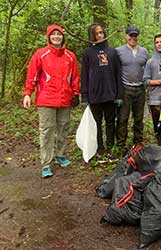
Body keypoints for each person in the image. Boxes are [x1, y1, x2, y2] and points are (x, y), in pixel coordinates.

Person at [23, 24, 80, 178]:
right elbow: (32, 76)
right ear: (49, 37)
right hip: (46, 99)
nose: (56, 37)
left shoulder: (70, 56)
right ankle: (46, 163)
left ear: (63, 37)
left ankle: (60, 155)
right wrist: (28, 93)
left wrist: (76, 93)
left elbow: (75, 77)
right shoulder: (41, 54)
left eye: (59, 34)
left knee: (63, 128)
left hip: (65, 99)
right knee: (47, 131)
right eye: (53, 34)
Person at [81, 23, 122, 156]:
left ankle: (110, 147)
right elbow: (84, 75)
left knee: (110, 123)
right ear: (92, 36)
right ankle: (99, 148)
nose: (100, 35)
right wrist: (85, 96)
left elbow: (118, 74)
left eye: (101, 32)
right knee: (96, 123)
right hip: (94, 95)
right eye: (96, 33)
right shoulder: (87, 53)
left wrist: (119, 95)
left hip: (110, 94)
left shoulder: (112, 52)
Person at [116, 26, 149, 149]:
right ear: (126, 36)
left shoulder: (144, 52)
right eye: (130, 35)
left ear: (138, 37)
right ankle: (120, 144)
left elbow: (148, 69)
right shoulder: (118, 51)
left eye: (135, 35)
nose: (133, 38)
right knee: (122, 118)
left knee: (138, 119)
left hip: (140, 89)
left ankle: (138, 143)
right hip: (125, 89)